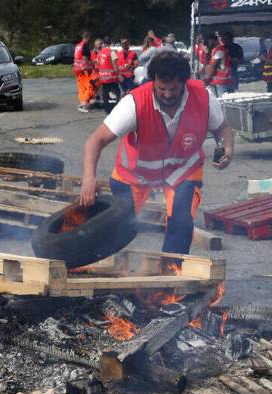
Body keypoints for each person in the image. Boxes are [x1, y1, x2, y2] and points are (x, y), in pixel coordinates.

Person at [79, 51, 233, 258]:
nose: (168, 94)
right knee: (119, 228)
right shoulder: (133, 103)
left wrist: (226, 148)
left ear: (184, 83)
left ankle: (170, 278)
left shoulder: (204, 98)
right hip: (134, 174)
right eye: (161, 88)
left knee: (181, 221)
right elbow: (94, 141)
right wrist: (89, 179)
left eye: (173, 89)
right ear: (153, 82)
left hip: (183, 171)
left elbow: (222, 128)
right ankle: (99, 266)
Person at [96, 36, 121, 114]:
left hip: (103, 77)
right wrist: (118, 74)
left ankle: (107, 109)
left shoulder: (100, 53)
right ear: (110, 42)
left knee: (105, 93)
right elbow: (115, 64)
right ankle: (117, 108)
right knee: (117, 92)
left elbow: (98, 63)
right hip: (112, 77)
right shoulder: (111, 52)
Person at [73, 31, 95, 113]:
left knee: (81, 87)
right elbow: (85, 58)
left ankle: (82, 104)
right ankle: (84, 105)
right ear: (88, 37)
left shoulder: (78, 46)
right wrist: (89, 67)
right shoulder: (85, 46)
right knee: (88, 87)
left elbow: (76, 57)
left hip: (77, 69)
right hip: (84, 69)